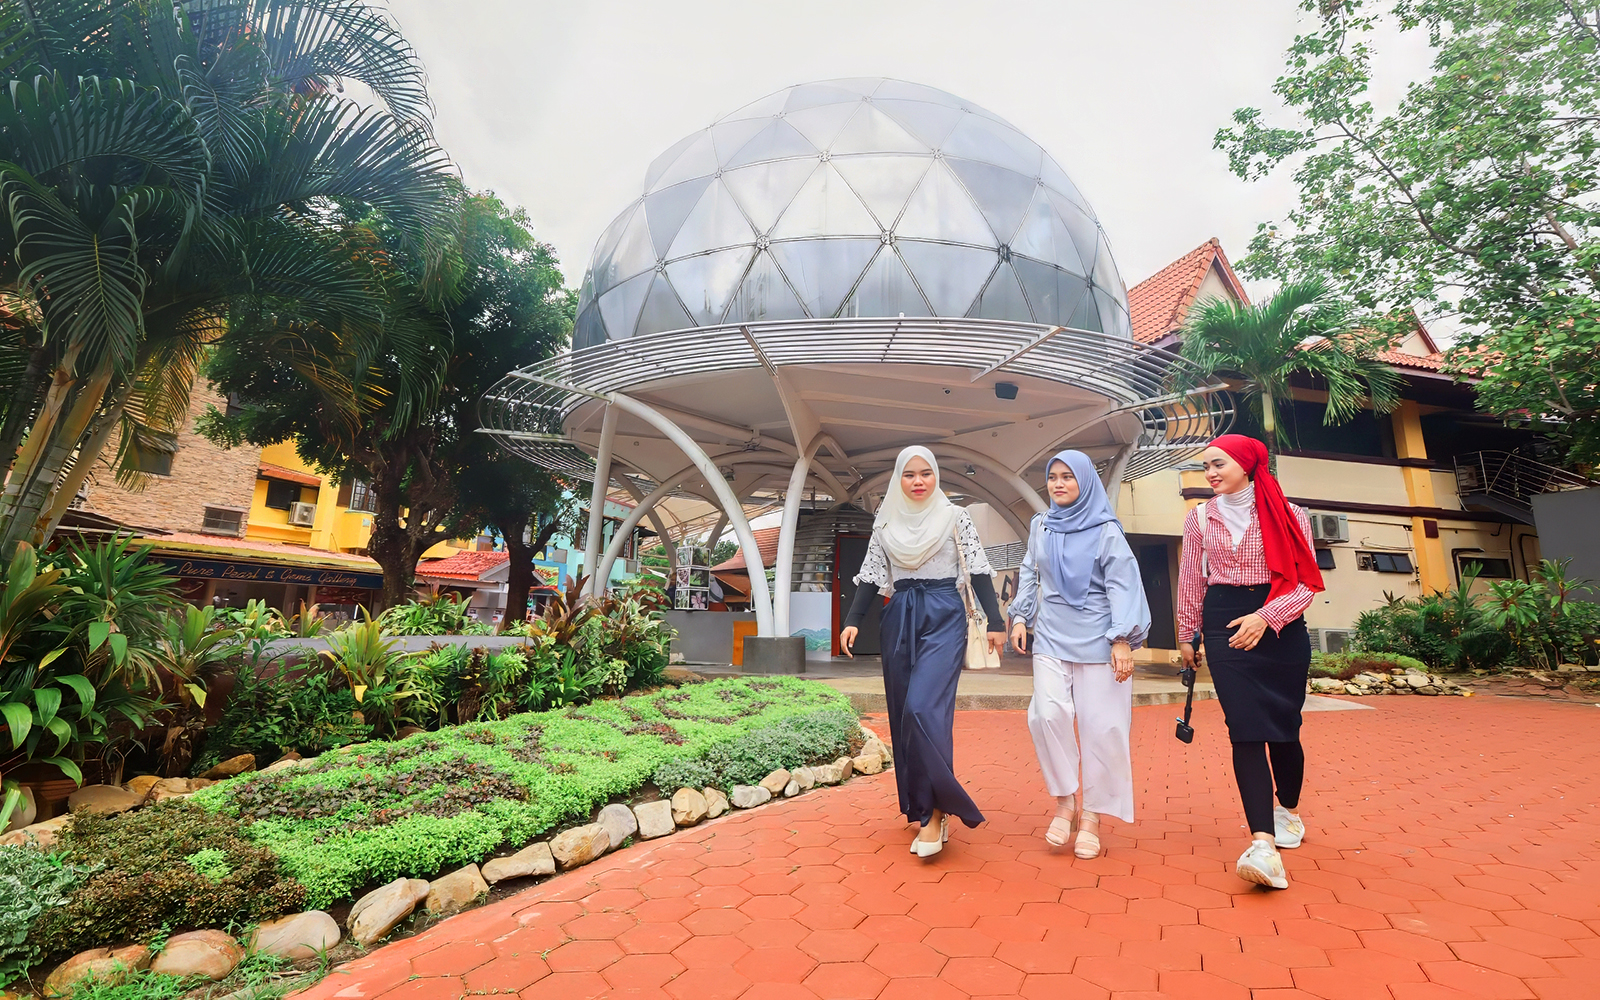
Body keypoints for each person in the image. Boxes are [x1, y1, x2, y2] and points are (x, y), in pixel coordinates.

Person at [840, 446, 1006, 858]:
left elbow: (979, 569)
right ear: (899, 479)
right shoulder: (887, 520)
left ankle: (936, 813)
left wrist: (997, 622)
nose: (918, 481)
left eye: (926, 473)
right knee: (903, 713)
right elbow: (873, 574)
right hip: (899, 615)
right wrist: (853, 618)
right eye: (909, 474)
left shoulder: (956, 517)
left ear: (936, 478)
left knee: (922, 709)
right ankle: (924, 807)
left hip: (944, 614)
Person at [1176, 434, 1324, 889]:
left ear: (1246, 463)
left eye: (1218, 464)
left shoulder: (1292, 514)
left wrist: (1266, 616)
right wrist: (1186, 634)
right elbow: (1190, 579)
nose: (1210, 473)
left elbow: (1305, 583)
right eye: (1206, 467)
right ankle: (1262, 843)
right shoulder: (1200, 517)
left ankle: (1289, 812)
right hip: (1223, 622)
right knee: (1244, 728)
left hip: (1279, 621)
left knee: (1284, 729)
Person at [1009, 450, 1151, 858]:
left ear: (1085, 482)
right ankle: (1066, 799)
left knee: (1103, 727)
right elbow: (1029, 571)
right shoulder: (1041, 526)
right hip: (1051, 635)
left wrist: (1122, 638)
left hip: (1100, 639)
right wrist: (1020, 616)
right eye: (1052, 476)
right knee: (1046, 713)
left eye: (1068, 477)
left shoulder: (1106, 530)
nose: (1058, 484)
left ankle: (1091, 816)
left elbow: (1123, 584)